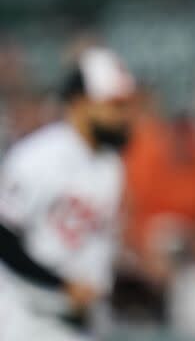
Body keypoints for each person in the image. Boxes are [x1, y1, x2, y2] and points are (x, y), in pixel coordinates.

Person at [0, 48, 136, 341]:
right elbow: (3, 236)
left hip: (80, 321)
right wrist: (61, 285)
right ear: (79, 103)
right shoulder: (37, 157)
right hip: (25, 318)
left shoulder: (111, 167)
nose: (124, 115)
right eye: (114, 104)